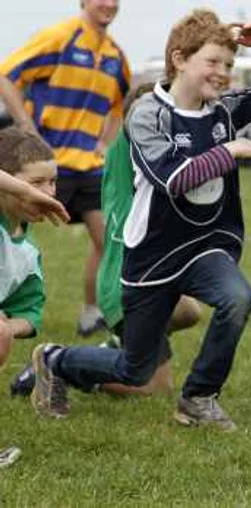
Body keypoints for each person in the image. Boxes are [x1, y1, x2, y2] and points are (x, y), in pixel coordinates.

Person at [28, 9, 251, 428]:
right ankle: (55, 359)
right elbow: (171, 178)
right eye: (212, 62)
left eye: (229, 65)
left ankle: (198, 397)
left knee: (237, 299)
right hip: (152, 257)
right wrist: (229, 152)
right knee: (133, 371)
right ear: (179, 59)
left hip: (205, 247)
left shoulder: (224, 112)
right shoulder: (146, 114)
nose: (223, 73)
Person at [9, 83, 202, 398]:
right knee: (153, 386)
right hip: (127, 284)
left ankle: (114, 346)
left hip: (145, 277)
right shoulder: (134, 145)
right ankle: (58, 362)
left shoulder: (152, 152)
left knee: (188, 311)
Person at [0, 0, 131, 337]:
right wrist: (26, 126)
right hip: (43, 166)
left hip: (88, 167)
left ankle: (92, 313)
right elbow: (6, 75)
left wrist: (106, 145)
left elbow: (119, 107)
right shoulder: (59, 38)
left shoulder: (116, 57)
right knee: (11, 236)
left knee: (107, 239)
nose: (110, 4)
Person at [0, 127, 64, 469]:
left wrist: (8, 328)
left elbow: (31, 312)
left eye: (52, 182)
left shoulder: (26, 253)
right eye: (35, 182)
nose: (47, 193)